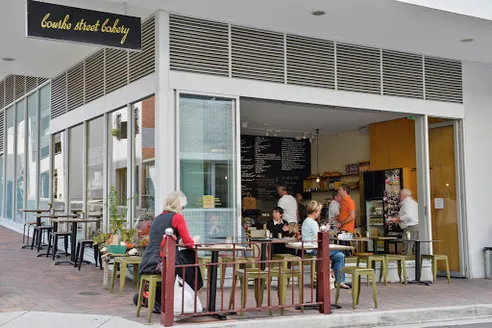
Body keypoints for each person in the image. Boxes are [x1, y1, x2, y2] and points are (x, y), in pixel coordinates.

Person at [138, 191, 203, 312]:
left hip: (148, 260)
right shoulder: (177, 217)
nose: (183, 210)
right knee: (190, 258)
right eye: (183, 207)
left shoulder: (158, 218)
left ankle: (157, 298)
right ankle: (186, 299)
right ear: (178, 206)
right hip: (162, 261)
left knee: (185, 261)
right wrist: (195, 240)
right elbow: (189, 243)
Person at [302, 200, 349, 289]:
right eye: (319, 211)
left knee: (340, 255)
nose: (319, 213)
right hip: (314, 249)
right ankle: (336, 278)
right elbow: (318, 237)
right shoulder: (312, 222)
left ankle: (335, 278)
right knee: (340, 251)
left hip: (310, 248)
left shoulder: (306, 221)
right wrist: (325, 230)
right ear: (314, 212)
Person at [391, 188, 419, 255]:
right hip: (416, 227)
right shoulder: (414, 202)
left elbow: (409, 216)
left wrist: (398, 219)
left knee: (406, 249)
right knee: (416, 249)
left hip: (410, 228)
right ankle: (416, 264)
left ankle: (405, 264)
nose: (399, 197)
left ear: (403, 195)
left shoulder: (407, 203)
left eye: (399, 195)